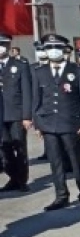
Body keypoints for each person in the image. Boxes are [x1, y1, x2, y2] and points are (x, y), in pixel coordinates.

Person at [31, 34, 80, 211]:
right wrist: (38, 124)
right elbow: (37, 100)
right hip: (49, 124)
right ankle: (61, 196)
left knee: (77, 163)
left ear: (64, 50)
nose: (53, 51)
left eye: (56, 47)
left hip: (72, 124)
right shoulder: (39, 72)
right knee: (56, 162)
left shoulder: (78, 71)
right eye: (49, 48)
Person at [0, 31, 33, 193]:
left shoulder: (19, 66)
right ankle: (12, 177)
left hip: (16, 114)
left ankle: (22, 180)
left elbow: (27, 91)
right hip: (1, 116)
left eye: (3, 45)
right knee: (4, 148)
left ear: (8, 46)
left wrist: (27, 116)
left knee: (19, 147)